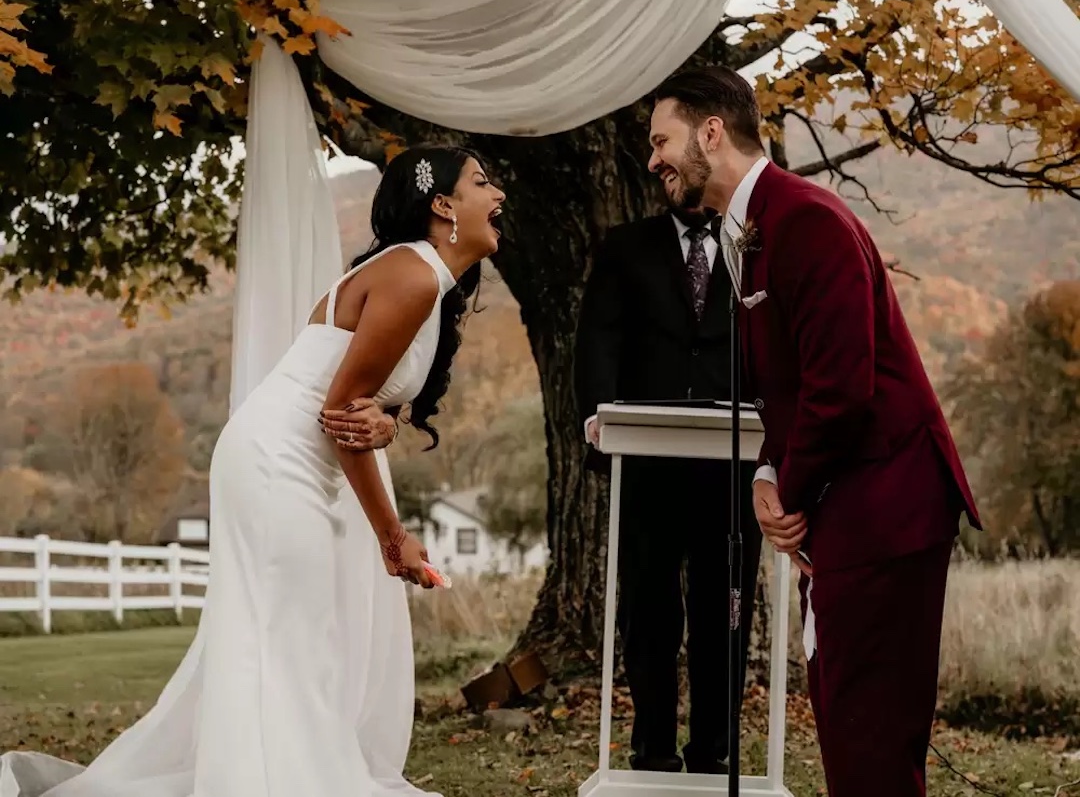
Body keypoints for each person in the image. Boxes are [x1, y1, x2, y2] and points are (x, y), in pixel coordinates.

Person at [0, 144, 507, 797]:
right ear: (444, 205)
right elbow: (341, 412)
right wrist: (392, 534)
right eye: (482, 182)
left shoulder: (423, 281)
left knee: (295, 633)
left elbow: (360, 403)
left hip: (291, 454)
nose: (499, 196)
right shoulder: (413, 274)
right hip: (279, 460)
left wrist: (390, 420)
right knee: (285, 636)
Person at [646, 65, 980, 797]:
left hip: (889, 499)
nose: (653, 160)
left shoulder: (807, 221)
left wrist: (790, 496)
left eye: (661, 140)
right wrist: (768, 475)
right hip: (848, 502)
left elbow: (842, 387)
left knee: (871, 729)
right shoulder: (753, 228)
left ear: (712, 131)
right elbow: (789, 389)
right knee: (843, 713)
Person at [573, 194, 763, 774]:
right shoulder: (626, 246)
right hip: (648, 464)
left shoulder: (755, 245)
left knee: (724, 611)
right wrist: (597, 419)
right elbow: (597, 339)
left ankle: (713, 750)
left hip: (733, 464)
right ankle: (651, 749)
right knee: (648, 611)